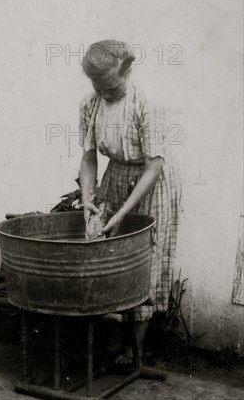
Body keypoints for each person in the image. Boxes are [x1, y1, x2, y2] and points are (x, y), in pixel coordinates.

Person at [78, 40, 182, 364]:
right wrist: (87, 199)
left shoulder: (146, 102)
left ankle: (134, 350)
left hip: (152, 181)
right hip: (117, 175)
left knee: (143, 260)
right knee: (106, 251)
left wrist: (123, 212)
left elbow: (154, 165)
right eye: (100, 87)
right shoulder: (89, 104)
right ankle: (114, 336)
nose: (106, 93)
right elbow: (88, 157)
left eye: (113, 86)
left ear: (128, 72)